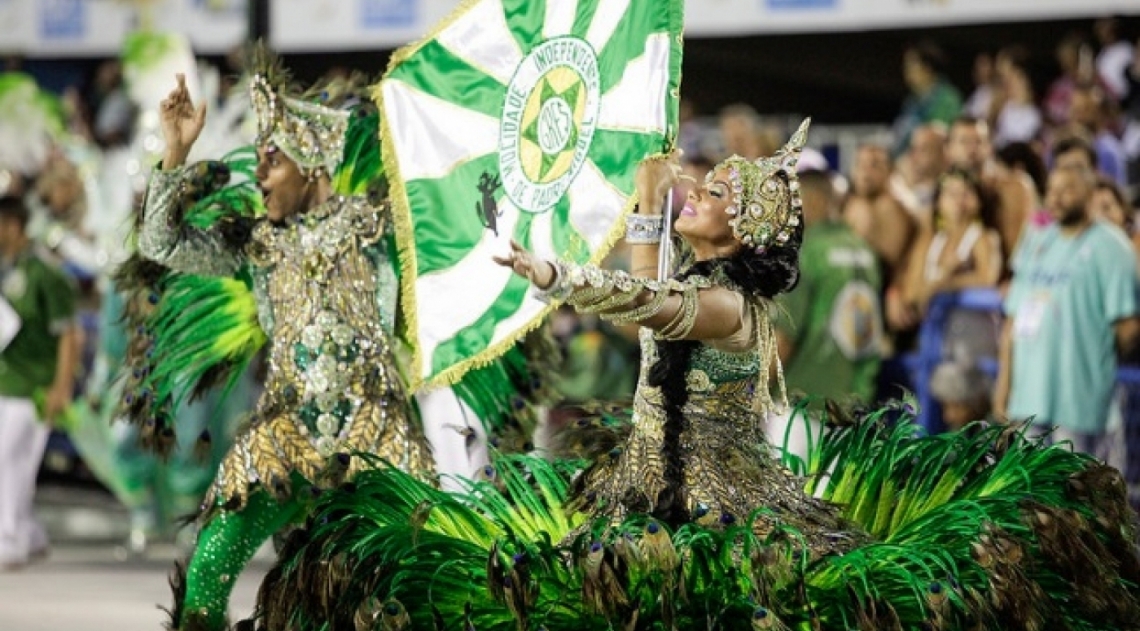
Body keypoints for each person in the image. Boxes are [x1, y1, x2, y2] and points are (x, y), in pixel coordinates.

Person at [248, 122, 1140, 631]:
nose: (695, 197)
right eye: (698, 188)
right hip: (643, 479)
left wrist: (553, 272)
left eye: (709, 196)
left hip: (718, 502)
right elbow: (649, 269)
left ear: (738, 231)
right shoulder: (697, 274)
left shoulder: (727, 309)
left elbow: (638, 298)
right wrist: (646, 189)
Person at [129, 52, 541, 630]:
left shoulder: (379, 226)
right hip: (285, 436)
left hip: (377, 436)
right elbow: (160, 243)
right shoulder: (256, 244)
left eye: (272, 164)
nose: (262, 178)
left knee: (409, 584)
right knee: (209, 566)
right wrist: (176, 152)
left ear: (312, 162)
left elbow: (467, 219)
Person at [994, 163, 1140, 474]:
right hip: (1030, 396)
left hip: (1082, 405)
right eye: (1052, 190)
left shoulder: (1112, 247)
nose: (1057, 198)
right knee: (1030, 496)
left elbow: (1128, 327)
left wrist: (1090, 360)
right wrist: (1004, 383)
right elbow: (1014, 321)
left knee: (1081, 501)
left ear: (1089, 194)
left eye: (1068, 190)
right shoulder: (1037, 241)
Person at [770, 158, 883, 463]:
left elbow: (783, 341)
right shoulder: (864, 251)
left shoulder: (806, 253)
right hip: (853, 405)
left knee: (786, 505)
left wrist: (749, 391)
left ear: (814, 199)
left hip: (801, 404)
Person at [0, 196, 80, 570]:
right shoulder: (4, 270)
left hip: (34, 386)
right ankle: (31, 534)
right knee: (10, 463)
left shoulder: (46, 275)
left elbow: (69, 334)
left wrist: (60, 388)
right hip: (5, 382)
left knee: (9, 462)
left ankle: (11, 540)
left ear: (14, 226)